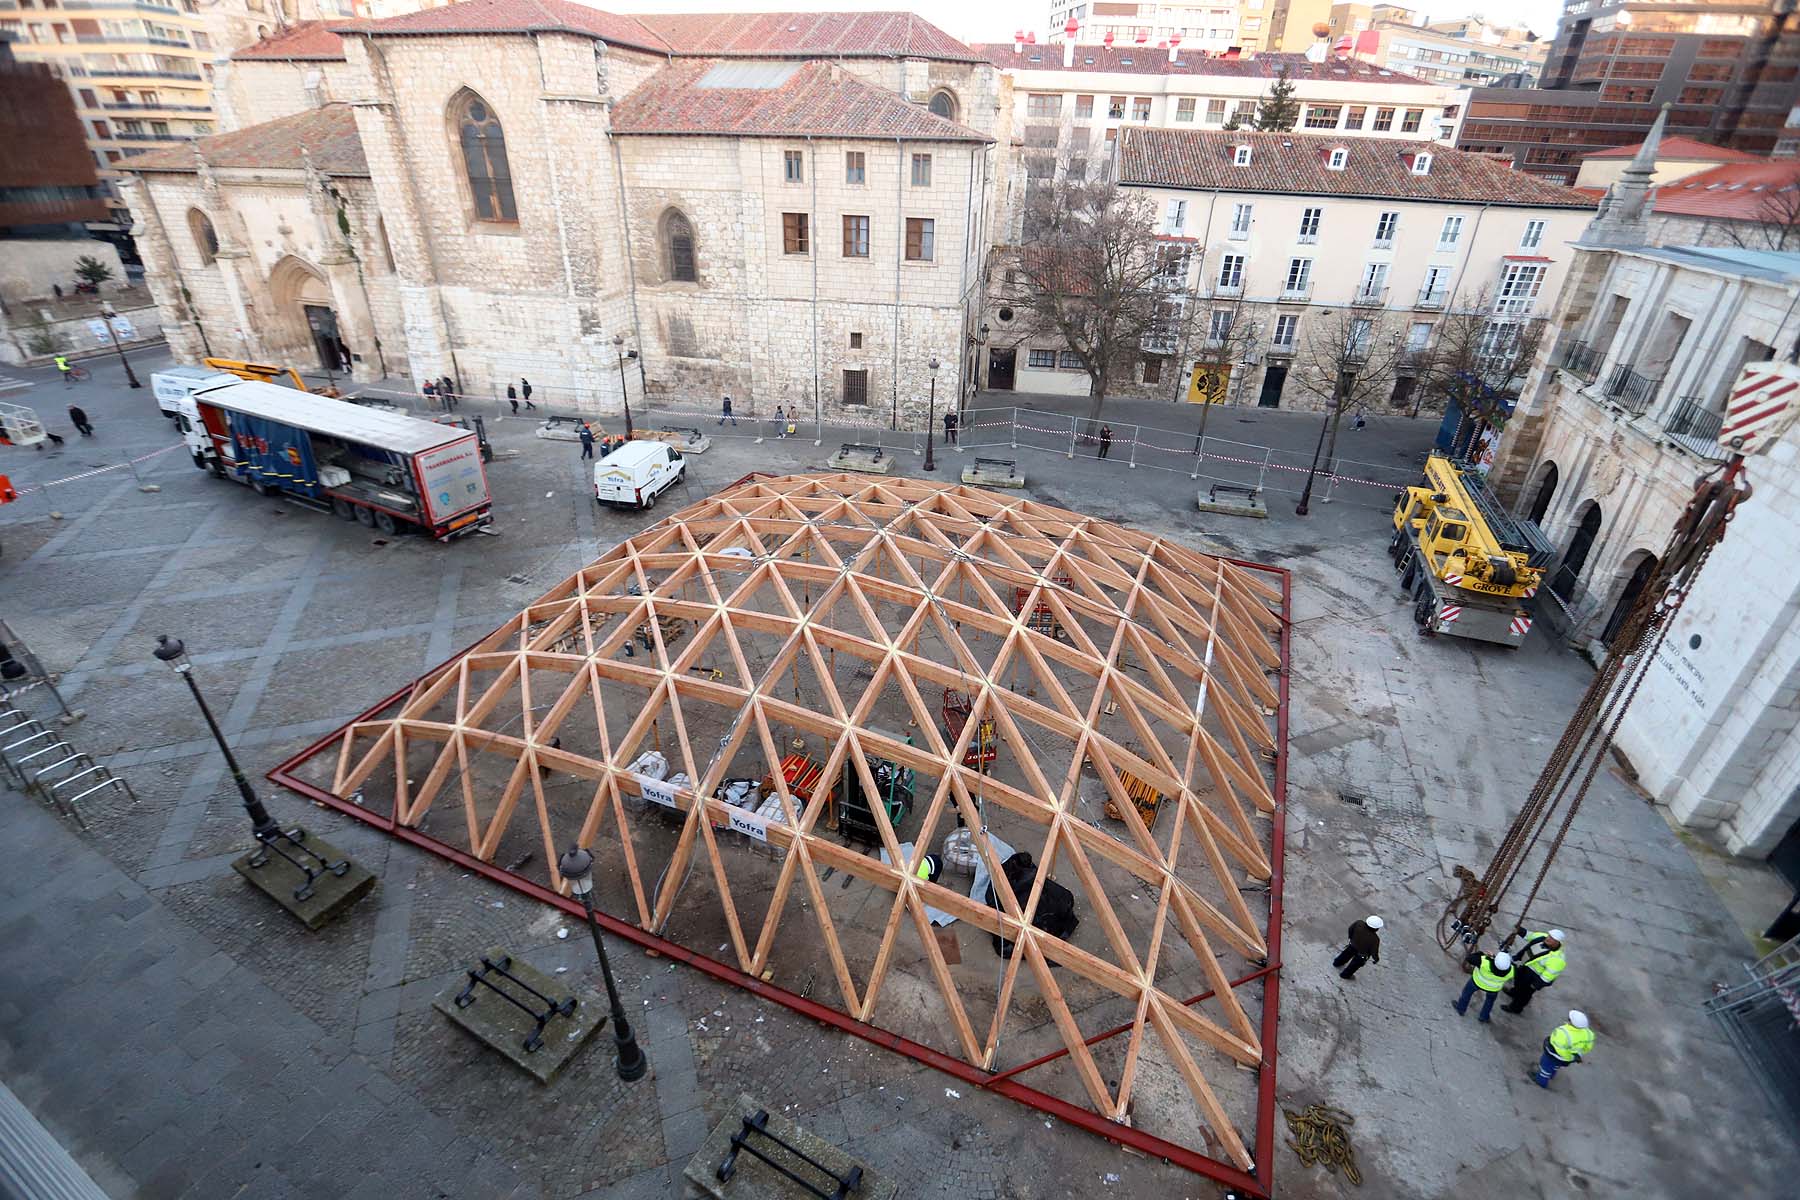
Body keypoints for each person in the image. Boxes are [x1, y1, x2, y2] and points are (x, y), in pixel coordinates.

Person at [1502, 929, 1566, 1015]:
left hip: (1534, 977)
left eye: (1552, 939)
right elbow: (1530, 935)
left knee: (1524, 994)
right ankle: (1514, 992)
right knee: (1518, 982)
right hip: (1525, 966)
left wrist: (1535, 985)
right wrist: (1519, 930)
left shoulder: (1558, 959)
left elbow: (1548, 976)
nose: (1548, 939)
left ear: (1557, 943)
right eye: (1549, 936)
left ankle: (1515, 1008)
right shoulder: (1542, 937)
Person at [1533, 1010, 1594, 1088]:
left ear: (1572, 1022)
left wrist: (1566, 1055)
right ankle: (1551, 1074)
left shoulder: (1562, 1032)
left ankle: (1540, 1081)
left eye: (1569, 1019)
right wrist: (1572, 1056)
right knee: (1556, 1065)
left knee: (1545, 1066)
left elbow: (1558, 1048)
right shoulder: (1589, 1034)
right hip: (1569, 1058)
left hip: (1555, 1055)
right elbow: (1587, 1048)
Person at [1454, 949, 1514, 1023]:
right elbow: (1507, 967)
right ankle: (1484, 1017)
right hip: (1493, 989)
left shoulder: (1484, 961)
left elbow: (1470, 958)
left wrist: (1483, 954)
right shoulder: (1512, 971)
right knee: (1489, 1002)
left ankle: (1460, 1009)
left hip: (1477, 982)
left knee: (1466, 993)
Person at [1332, 915, 1382, 980]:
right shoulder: (1375, 939)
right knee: (1354, 965)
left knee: (1345, 955)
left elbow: (1350, 929)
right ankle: (1345, 975)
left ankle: (1337, 963)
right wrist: (1376, 959)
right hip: (1362, 954)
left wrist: (1350, 938)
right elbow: (1374, 951)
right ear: (1376, 928)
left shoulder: (1359, 923)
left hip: (1352, 945)